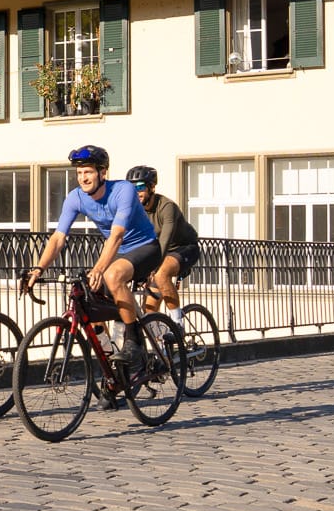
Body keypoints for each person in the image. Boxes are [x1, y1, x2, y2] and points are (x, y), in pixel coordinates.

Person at [19, 145, 161, 364]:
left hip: (144, 247)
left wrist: (98, 269)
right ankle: (109, 360)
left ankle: (135, 343)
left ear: (103, 173)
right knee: (84, 293)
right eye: (79, 173)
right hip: (118, 252)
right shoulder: (75, 198)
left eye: (88, 172)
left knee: (112, 276)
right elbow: (58, 238)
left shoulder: (124, 190)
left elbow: (116, 236)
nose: (83, 178)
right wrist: (38, 268)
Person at [126, 165, 200, 326]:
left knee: (160, 274)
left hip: (184, 247)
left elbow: (165, 239)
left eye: (140, 187)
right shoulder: (135, 212)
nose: (136, 192)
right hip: (160, 252)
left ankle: (177, 322)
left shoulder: (166, 207)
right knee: (150, 308)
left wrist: (151, 266)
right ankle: (162, 344)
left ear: (152, 187)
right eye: (131, 188)